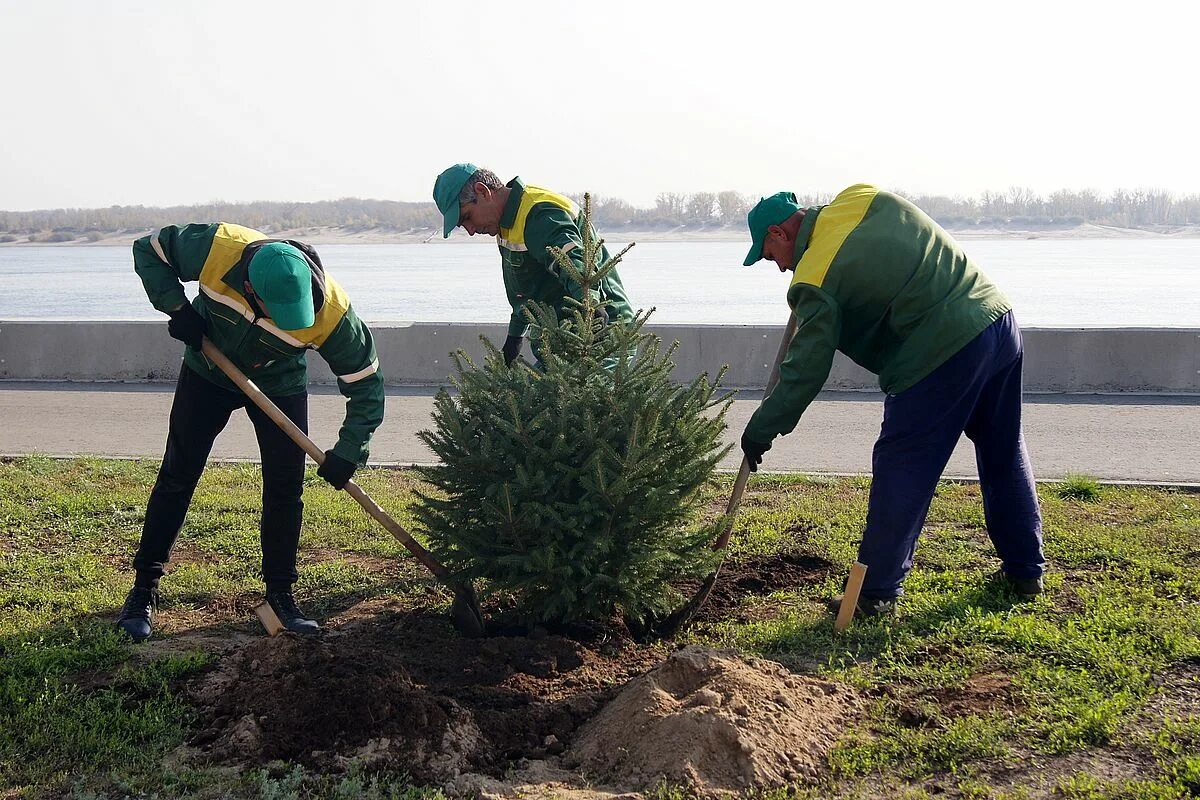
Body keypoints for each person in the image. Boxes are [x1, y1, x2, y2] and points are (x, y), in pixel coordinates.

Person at [740, 184, 1045, 615]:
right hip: (995, 318)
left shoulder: (813, 278)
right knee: (1002, 447)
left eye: (772, 256)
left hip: (938, 349)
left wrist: (762, 427)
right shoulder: (858, 198)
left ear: (780, 233)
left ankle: (876, 592)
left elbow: (804, 370)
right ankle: (1025, 570)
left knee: (903, 464)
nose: (779, 268)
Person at [116, 223, 385, 640]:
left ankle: (281, 595)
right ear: (249, 286)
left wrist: (350, 450)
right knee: (177, 475)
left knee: (285, 489)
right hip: (208, 370)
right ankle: (144, 589)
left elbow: (366, 383)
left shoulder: (332, 311)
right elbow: (147, 250)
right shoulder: (215, 247)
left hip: (280, 387)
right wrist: (179, 309)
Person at [431, 163, 634, 366]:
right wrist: (514, 339)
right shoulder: (505, 225)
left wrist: (591, 310)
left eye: (467, 217)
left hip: (602, 333)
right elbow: (523, 293)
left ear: (483, 192)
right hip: (559, 341)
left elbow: (576, 267)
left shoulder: (538, 214)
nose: (471, 230)